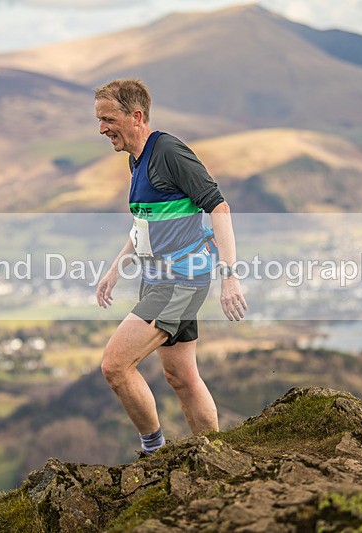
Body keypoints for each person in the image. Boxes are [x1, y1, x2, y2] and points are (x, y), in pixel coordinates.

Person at [94, 78, 247, 456]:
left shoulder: (169, 153)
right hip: (157, 279)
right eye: (98, 120)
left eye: (108, 119)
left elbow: (219, 207)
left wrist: (229, 278)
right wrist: (117, 269)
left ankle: (153, 452)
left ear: (136, 116)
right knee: (181, 375)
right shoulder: (137, 159)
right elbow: (145, 224)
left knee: (115, 366)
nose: (101, 128)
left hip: (180, 280)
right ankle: (214, 454)